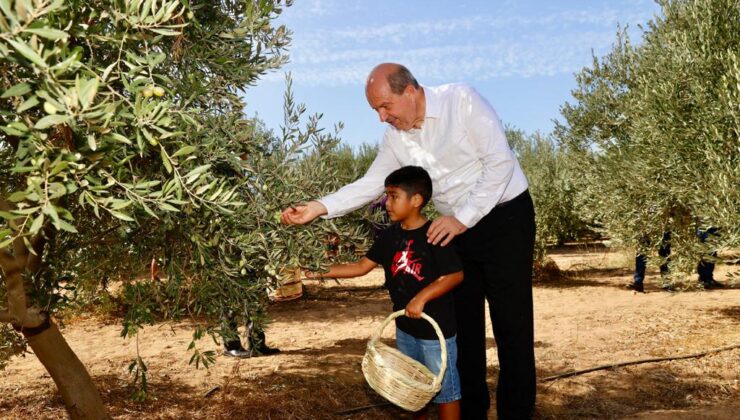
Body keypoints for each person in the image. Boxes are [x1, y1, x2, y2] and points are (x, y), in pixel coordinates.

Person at [282, 63, 536, 419]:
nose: (382, 118)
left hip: (505, 218)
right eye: (376, 110)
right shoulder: (396, 138)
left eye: (385, 107)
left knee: (513, 326)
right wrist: (319, 207)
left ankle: (518, 413)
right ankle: (473, 412)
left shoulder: (461, 100)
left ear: (411, 92)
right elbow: (371, 183)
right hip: (452, 232)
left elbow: (500, 163)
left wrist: (462, 218)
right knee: (464, 331)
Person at [306, 166, 463, 419]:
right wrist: (317, 271)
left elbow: (455, 275)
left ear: (416, 200)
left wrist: (421, 298)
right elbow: (360, 267)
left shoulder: (435, 234)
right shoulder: (390, 237)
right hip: (405, 329)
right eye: (386, 196)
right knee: (413, 388)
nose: (386, 203)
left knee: (447, 391)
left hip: (437, 334)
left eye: (393, 196)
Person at [627, 228, 723, 293]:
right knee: (647, 252)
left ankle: (665, 282)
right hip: (647, 222)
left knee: (662, 253)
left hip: (661, 223)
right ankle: (639, 282)